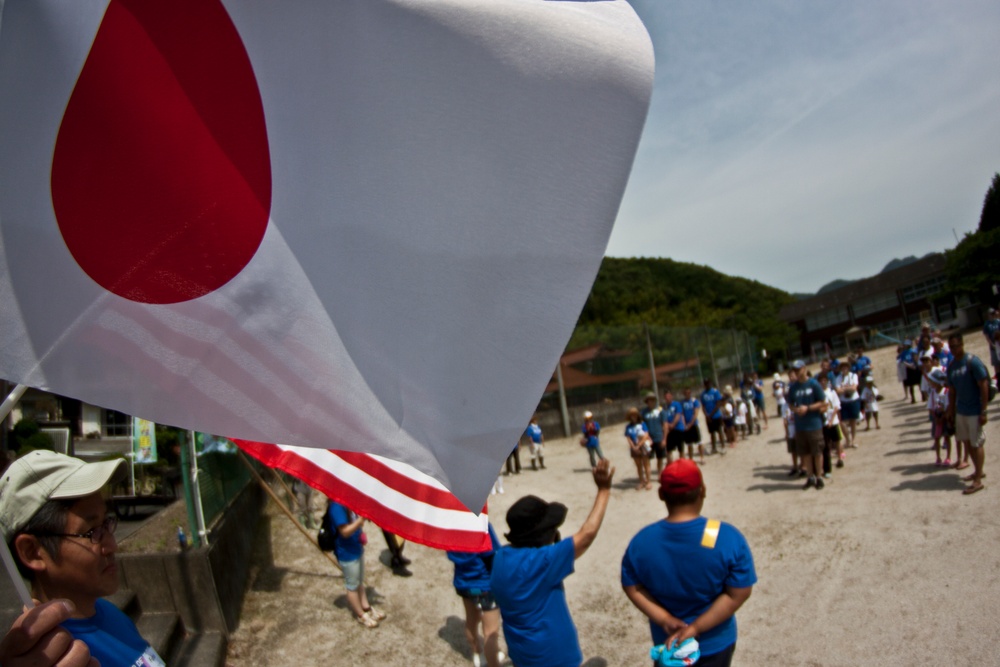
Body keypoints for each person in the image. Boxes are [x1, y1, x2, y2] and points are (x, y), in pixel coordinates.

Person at [0, 450, 165, 666]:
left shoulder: (110, 613)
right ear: (32, 551)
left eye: (107, 523)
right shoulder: (42, 659)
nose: (112, 545)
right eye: (91, 530)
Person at [621, 459, 756, 667]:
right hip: (715, 642)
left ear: (661, 494)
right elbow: (738, 593)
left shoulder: (642, 541)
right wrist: (696, 628)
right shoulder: (724, 535)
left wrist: (665, 619)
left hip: (669, 644)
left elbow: (633, 587)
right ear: (703, 490)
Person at [490, 459, 615, 667]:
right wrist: (604, 490)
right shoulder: (541, 562)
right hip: (556, 657)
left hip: (523, 655)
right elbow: (587, 535)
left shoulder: (501, 558)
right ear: (541, 535)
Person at [447, 524, 504, 667]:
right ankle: (493, 662)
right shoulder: (480, 524)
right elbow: (493, 552)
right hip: (484, 585)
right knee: (490, 630)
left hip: (463, 583)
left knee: (471, 620)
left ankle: (477, 654)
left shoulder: (448, 526)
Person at [326, 499, 386, 627]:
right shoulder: (336, 506)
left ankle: (366, 607)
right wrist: (361, 520)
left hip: (356, 548)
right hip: (347, 553)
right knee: (352, 585)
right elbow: (345, 531)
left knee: (359, 581)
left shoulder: (347, 501)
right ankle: (360, 615)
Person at [945, 333, 990, 495]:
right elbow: (952, 390)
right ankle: (978, 470)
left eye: (956, 346)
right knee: (968, 442)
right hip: (961, 410)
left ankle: (978, 480)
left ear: (962, 344)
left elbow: (983, 384)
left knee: (977, 443)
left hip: (974, 409)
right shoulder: (952, 366)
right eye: (951, 347)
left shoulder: (972, 361)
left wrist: (983, 410)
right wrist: (951, 409)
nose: (954, 349)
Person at [787, 360, 828, 490]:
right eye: (795, 370)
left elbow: (822, 401)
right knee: (806, 453)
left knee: (817, 451)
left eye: (799, 369)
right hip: (801, 425)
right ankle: (810, 477)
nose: (797, 372)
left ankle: (819, 477)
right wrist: (795, 409)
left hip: (814, 424)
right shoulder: (793, 387)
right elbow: (790, 403)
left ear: (804, 369)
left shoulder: (813, 384)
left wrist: (808, 408)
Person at [833, 362, 860, 449]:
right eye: (842, 368)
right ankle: (848, 439)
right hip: (844, 401)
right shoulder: (838, 378)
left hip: (853, 399)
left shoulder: (853, 376)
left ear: (848, 368)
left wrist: (843, 388)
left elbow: (854, 388)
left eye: (846, 368)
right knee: (842, 422)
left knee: (853, 421)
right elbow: (837, 390)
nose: (844, 369)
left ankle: (853, 440)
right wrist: (848, 388)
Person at [625, 407, 653, 490]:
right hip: (634, 447)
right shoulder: (628, 427)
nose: (633, 417)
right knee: (638, 466)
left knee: (646, 464)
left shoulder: (642, 424)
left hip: (643, 446)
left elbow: (646, 435)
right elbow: (628, 437)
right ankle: (641, 481)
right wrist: (633, 446)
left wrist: (639, 445)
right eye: (632, 415)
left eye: (635, 415)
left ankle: (648, 481)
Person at [641, 392, 668, 474]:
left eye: (653, 400)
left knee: (660, 457)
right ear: (647, 401)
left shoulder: (660, 410)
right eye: (649, 400)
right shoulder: (643, 412)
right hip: (648, 440)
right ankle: (648, 475)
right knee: (647, 457)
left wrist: (664, 439)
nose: (651, 402)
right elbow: (641, 426)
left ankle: (659, 473)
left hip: (659, 438)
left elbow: (665, 425)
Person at [680, 388, 705, 465]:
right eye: (686, 392)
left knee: (699, 442)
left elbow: (696, 413)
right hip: (687, 425)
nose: (687, 394)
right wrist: (684, 424)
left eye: (689, 392)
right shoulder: (682, 403)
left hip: (694, 424)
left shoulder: (694, 401)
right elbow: (682, 414)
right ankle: (691, 459)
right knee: (689, 443)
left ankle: (702, 457)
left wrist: (691, 423)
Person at [700, 380, 725, 455]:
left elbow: (718, 404)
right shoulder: (703, 394)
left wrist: (711, 414)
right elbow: (703, 406)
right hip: (708, 416)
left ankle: (722, 446)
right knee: (712, 433)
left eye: (708, 383)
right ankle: (714, 448)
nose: (707, 385)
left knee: (720, 431)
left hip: (716, 415)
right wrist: (706, 415)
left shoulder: (715, 392)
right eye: (706, 383)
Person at [663, 389, 685, 465]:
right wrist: (668, 425)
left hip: (678, 428)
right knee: (669, 449)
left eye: (669, 396)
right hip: (669, 430)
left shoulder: (676, 404)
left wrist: (673, 424)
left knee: (681, 449)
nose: (667, 397)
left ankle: (683, 464)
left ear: (671, 396)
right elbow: (663, 418)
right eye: (666, 396)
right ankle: (671, 464)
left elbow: (678, 415)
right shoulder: (664, 407)